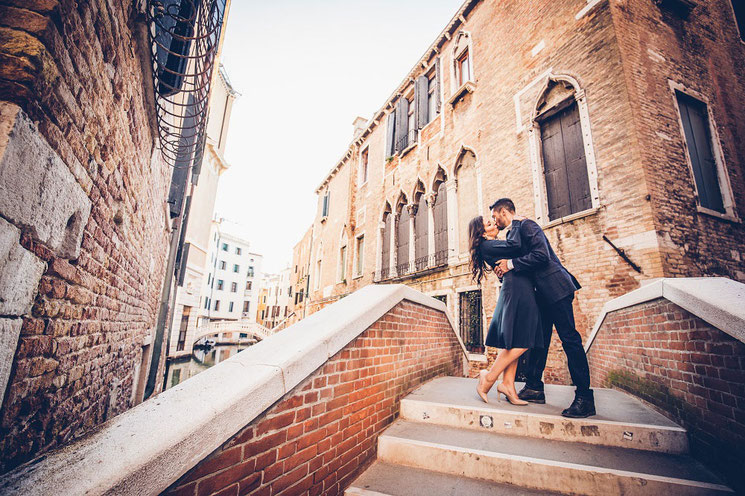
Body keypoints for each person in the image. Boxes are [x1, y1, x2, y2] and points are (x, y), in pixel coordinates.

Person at [490, 198, 595, 418]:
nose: (493, 220)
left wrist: (510, 264)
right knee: (539, 341)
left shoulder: (527, 225)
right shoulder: (513, 232)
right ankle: (534, 387)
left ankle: (585, 398)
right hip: (540, 295)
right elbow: (523, 264)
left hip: (556, 288)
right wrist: (505, 269)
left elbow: (541, 255)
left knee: (570, 339)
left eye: (494, 216)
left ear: (503, 212)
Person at [468, 215, 543, 405]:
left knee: (515, 339)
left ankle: (508, 385)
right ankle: (489, 377)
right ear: (483, 233)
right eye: (488, 223)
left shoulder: (494, 245)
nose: (493, 222)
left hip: (519, 286)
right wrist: (516, 222)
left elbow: (514, 251)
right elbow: (516, 246)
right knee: (525, 340)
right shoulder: (487, 245)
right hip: (517, 289)